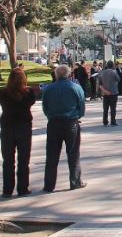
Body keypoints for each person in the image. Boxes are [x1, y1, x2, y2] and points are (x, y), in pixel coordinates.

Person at [42, 65, 86, 193]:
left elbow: (45, 106)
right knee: (73, 153)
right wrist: (78, 115)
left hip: (54, 122)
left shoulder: (49, 89)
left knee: (51, 155)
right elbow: (81, 105)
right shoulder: (75, 87)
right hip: (70, 122)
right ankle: (75, 181)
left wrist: (50, 116)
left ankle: (49, 184)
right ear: (69, 74)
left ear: (56, 75)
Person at [0, 69, 36, 197]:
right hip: (23, 126)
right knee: (24, 160)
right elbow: (31, 102)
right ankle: (22, 187)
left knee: (8, 160)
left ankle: (7, 189)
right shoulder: (28, 92)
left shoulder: (3, 92)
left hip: (7, 127)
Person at [98, 60, 120, 126]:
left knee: (105, 108)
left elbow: (100, 83)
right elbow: (118, 79)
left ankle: (105, 121)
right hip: (113, 92)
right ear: (113, 65)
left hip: (105, 93)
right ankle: (113, 121)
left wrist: (104, 90)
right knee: (113, 108)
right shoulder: (114, 72)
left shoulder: (102, 73)